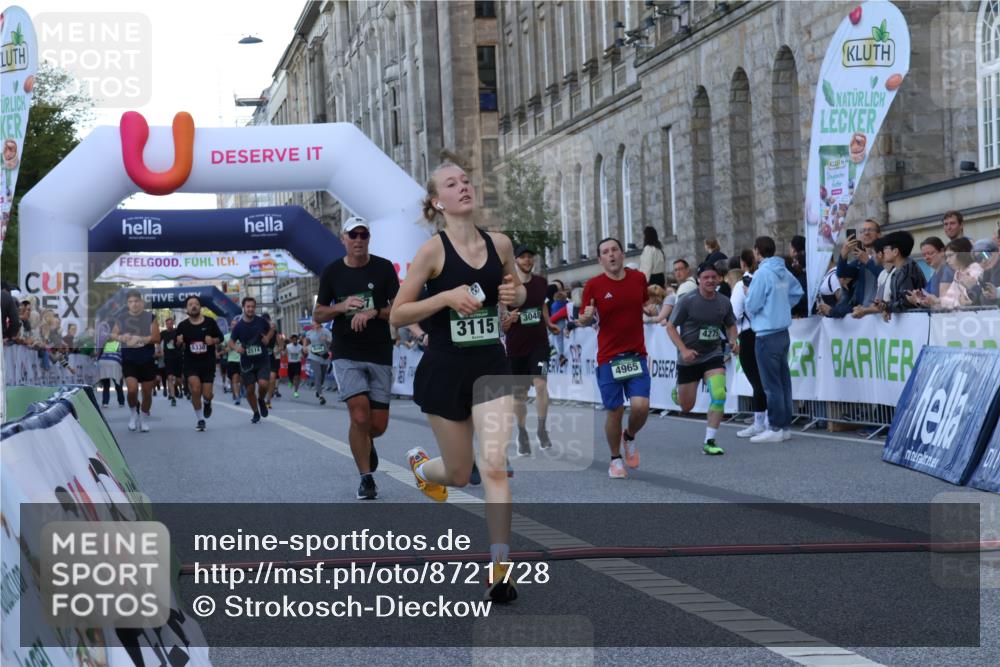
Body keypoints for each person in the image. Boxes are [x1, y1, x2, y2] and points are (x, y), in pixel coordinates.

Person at [389, 161, 524, 602]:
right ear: (436, 201)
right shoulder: (432, 251)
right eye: (452, 184)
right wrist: (445, 297)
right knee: (460, 472)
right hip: (445, 369)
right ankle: (422, 469)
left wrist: (513, 296)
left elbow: (519, 291)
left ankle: (500, 569)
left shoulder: (499, 243)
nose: (463, 186)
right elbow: (398, 313)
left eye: (466, 180)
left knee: (494, 466)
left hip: (490, 366)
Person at [314, 216, 401, 500]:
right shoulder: (332, 272)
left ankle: (364, 441)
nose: (359, 240)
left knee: (378, 426)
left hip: (379, 351)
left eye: (364, 235)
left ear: (369, 238)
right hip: (346, 352)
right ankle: (366, 479)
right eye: (354, 235)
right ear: (343, 239)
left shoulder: (384, 268)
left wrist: (374, 311)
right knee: (359, 413)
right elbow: (319, 314)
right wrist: (341, 306)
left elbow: (399, 310)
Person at [577, 237, 652, 479]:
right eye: (605, 252)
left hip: (636, 354)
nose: (611, 255)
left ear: (622, 254)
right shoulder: (593, 286)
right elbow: (583, 319)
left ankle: (629, 436)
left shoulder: (638, 279)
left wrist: (650, 308)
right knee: (615, 411)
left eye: (614, 250)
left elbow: (645, 302)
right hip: (609, 358)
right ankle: (615, 459)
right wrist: (586, 317)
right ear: (600, 260)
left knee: (641, 406)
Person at [665, 262, 738, 455]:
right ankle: (678, 391)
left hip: (713, 354)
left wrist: (733, 340)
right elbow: (670, 327)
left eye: (713, 277)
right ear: (699, 280)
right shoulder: (688, 301)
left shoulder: (723, 301)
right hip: (689, 358)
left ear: (719, 278)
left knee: (719, 394)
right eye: (706, 277)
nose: (710, 280)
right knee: (686, 406)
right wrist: (684, 350)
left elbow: (731, 324)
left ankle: (709, 441)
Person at [744, 236, 803, 444]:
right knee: (783, 380)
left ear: (757, 252)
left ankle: (776, 426)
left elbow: (752, 304)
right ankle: (784, 426)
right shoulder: (783, 270)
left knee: (771, 383)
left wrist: (749, 296)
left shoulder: (761, 274)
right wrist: (782, 306)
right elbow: (797, 292)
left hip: (766, 333)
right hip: (782, 331)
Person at [502, 245, 559, 455]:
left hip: (539, 343)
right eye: (523, 257)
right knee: (520, 396)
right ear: (515, 260)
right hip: (516, 347)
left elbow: (542, 305)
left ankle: (542, 430)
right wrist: (510, 320)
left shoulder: (541, 282)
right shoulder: (507, 287)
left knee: (541, 385)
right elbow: (503, 325)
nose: (527, 260)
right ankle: (522, 431)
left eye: (530, 257)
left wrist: (549, 322)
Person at [730, 249, 769, 437]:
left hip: (748, 334)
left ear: (742, 264)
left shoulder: (741, 285)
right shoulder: (765, 280)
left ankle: (760, 422)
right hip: (766, 332)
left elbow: (734, 314)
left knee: (756, 380)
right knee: (767, 379)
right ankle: (769, 420)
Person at [110, 290, 160, 432]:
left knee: (147, 393)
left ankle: (143, 419)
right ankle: (133, 414)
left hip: (147, 360)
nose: (134, 304)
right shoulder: (122, 318)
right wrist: (122, 337)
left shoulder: (151, 317)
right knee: (132, 390)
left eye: (136, 301)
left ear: (141, 303)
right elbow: (113, 334)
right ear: (127, 304)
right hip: (129, 359)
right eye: (131, 302)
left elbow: (157, 338)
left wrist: (141, 339)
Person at [175, 296, 223, 431]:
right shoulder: (182, 326)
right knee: (195, 389)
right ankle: (200, 419)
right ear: (187, 309)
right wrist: (178, 341)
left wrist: (213, 341)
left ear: (200, 307)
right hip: (191, 364)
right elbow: (177, 345)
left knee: (207, 394)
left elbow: (221, 337)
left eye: (196, 304)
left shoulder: (209, 322)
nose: (194, 306)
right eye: (190, 304)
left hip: (208, 363)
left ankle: (207, 402)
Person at [229, 296, 275, 423]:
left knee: (263, 384)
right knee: (249, 390)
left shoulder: (261, 321)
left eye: (253, 307)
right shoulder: (238, 326)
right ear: (243, 308)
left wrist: (267, 338)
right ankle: (255, 412)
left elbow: (272, 329)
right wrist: (237, 348)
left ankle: (261, 399)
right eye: (248, 307)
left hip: (262, 360)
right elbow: (231, 342)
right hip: (247, 363)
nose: (250, 309)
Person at [879, 231, 926, 318]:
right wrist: (886, 306)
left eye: (885, 248)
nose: (883, 251)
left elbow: (906, 302)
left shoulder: (907, 270)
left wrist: (887, 307)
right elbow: (895, 300)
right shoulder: (897, 271)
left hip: (915, 322)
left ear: (895, 252)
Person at [837, 218, 882, 307]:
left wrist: (868, 261)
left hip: (880, 311)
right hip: (862, 312)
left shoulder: (885, 255)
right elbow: (842, 273)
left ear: (879, 235)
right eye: (863, 231)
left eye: (870, 230)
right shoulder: (859, 261)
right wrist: (843, 255)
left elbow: (886, 276)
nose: (866, 233)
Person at [305, 320, 333, 405]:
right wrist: (304, 347)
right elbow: (306, 341)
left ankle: (318, 389)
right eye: (313, 322)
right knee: (318, 375)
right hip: (313, 355)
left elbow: (331, 342)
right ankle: (321, 396)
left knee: (322, 377)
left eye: (316, 322)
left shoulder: (326, 331)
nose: (314, 324)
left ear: (319, 323)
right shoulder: (309, 333)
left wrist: (326, 340)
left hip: (324, 356)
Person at [159, 317, 183, 406]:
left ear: (172, 324)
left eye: (170, 323)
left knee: (179, 380)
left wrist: (178, 342)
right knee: (169, 377)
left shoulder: (177, 332)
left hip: (177, 357)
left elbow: (181, 342)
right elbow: (157, 341)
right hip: (168, 358)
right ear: (166, 325)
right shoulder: (163, 333)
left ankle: (176, 386)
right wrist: (160, 350)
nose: (169, 325)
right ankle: (173, 397)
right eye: (167, 324)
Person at [97, 336, 125, 408]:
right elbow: (123, 356)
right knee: (118, 383)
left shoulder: (105, 343)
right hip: (114, 363)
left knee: (106, 385)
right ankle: (121, 402)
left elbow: (99, 355)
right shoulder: (120, 344)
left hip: (103, 362)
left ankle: (105, 402)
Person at [223, 317, 243, 405]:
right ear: (230, 326)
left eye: (236, 325)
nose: (234, 326)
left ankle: (237, 393)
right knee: (234, 379)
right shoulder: (226, 337)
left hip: (242, 361)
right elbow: (222, 348)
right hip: (232, 361)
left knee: (239, 380)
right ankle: (237, 395)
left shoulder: (242, 335)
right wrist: (227, 348)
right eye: (232, 325)